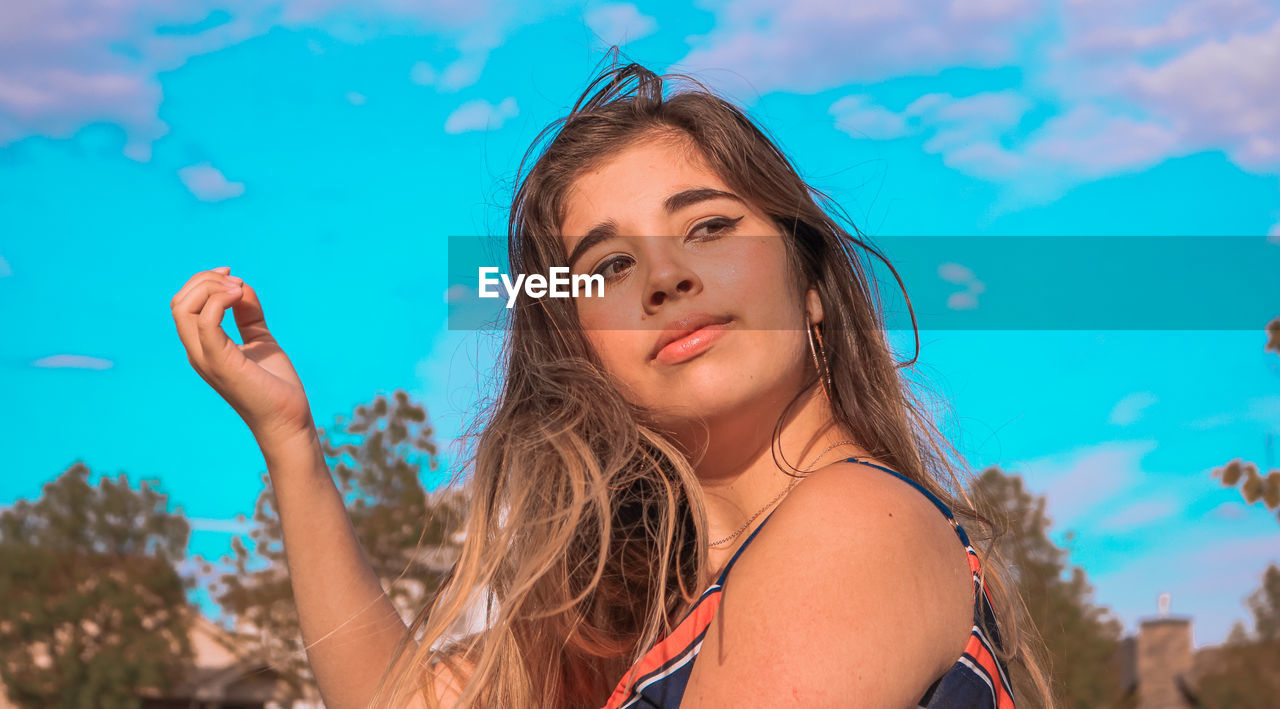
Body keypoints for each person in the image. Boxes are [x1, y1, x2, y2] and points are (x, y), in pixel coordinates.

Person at [171, 54, 1055, 709]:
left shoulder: (853, 523)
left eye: (709, 227)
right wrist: (291, 445)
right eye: (607, 266)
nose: (665, 279)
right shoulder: (646, 624)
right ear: (582, 351)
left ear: (814, 286)